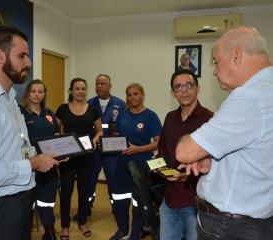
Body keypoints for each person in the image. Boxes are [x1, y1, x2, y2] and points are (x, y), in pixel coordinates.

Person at [175, 26, 273, 240]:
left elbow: (185, 152)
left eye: (216, 61)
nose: (214, 70)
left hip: (229, 227)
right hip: (258, 221)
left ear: (236, 55)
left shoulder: (249, 96)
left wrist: (197, 150)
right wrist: (211, 158)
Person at [0, 26, 66, 240]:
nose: (29, 62)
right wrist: (34, 164)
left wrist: (48, 153)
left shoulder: (10, 99)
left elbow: (16, 149)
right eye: (22, 55)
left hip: (20, 203)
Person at [156, 69, 213, 240]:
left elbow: (214, 163)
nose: (184, 90)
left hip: (195, 202)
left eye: (189, 85)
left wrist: (187, 177)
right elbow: (163, 148)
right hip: (169, 199)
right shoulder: (170, 118)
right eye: (178, 87)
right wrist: (159, 165)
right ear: (173, 93)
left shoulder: (210, 120)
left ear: (198, 88)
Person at [110, 83, 162, 240]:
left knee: (139, 203)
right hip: (122, 163)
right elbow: (117, 135)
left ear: (143, 95)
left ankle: (135, 234)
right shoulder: (123, 114)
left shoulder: (151, 116)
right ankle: (123, 230)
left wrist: (138, 149)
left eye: (135, 94)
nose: (132, 97)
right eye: (129, 95)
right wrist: (110, 143)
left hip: (142, 165)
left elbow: (159, 142)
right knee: (119, 198)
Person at [72, 74, 125, 220]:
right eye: (97, 83)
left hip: (111, 151)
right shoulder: (88, 103)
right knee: (88, 179)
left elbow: (123, 127)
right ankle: (86, 208)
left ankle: (117, 209)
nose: (99, 86)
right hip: (93, 150)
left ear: (110, 86)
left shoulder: (120, 104)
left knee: (114, 179)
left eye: (103, 83)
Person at [55, 78, 103, 239]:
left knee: (84, 191)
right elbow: (55, 131)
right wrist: (64, 140)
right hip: (67, 158)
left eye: (83, 88)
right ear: (71, 91)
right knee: (66, 192)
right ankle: (65, 226)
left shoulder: (92, 109)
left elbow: (99, 131)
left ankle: (82, 222)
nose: (81, 92)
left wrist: (94, 142)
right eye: (77, 89)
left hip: (87, 157)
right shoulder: (62, 109)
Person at [20, 79, 60, 240]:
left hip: (49, 165)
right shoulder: (20, 112)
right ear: (28, 92)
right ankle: (24, 232)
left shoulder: (49, 113)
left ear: (44, 94)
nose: (37, 95)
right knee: (27, 202)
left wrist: (62, 153)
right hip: (29, 165)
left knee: (47, 200)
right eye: (34, 91)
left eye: (40, 92)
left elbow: (57, 136)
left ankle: (49, 231)